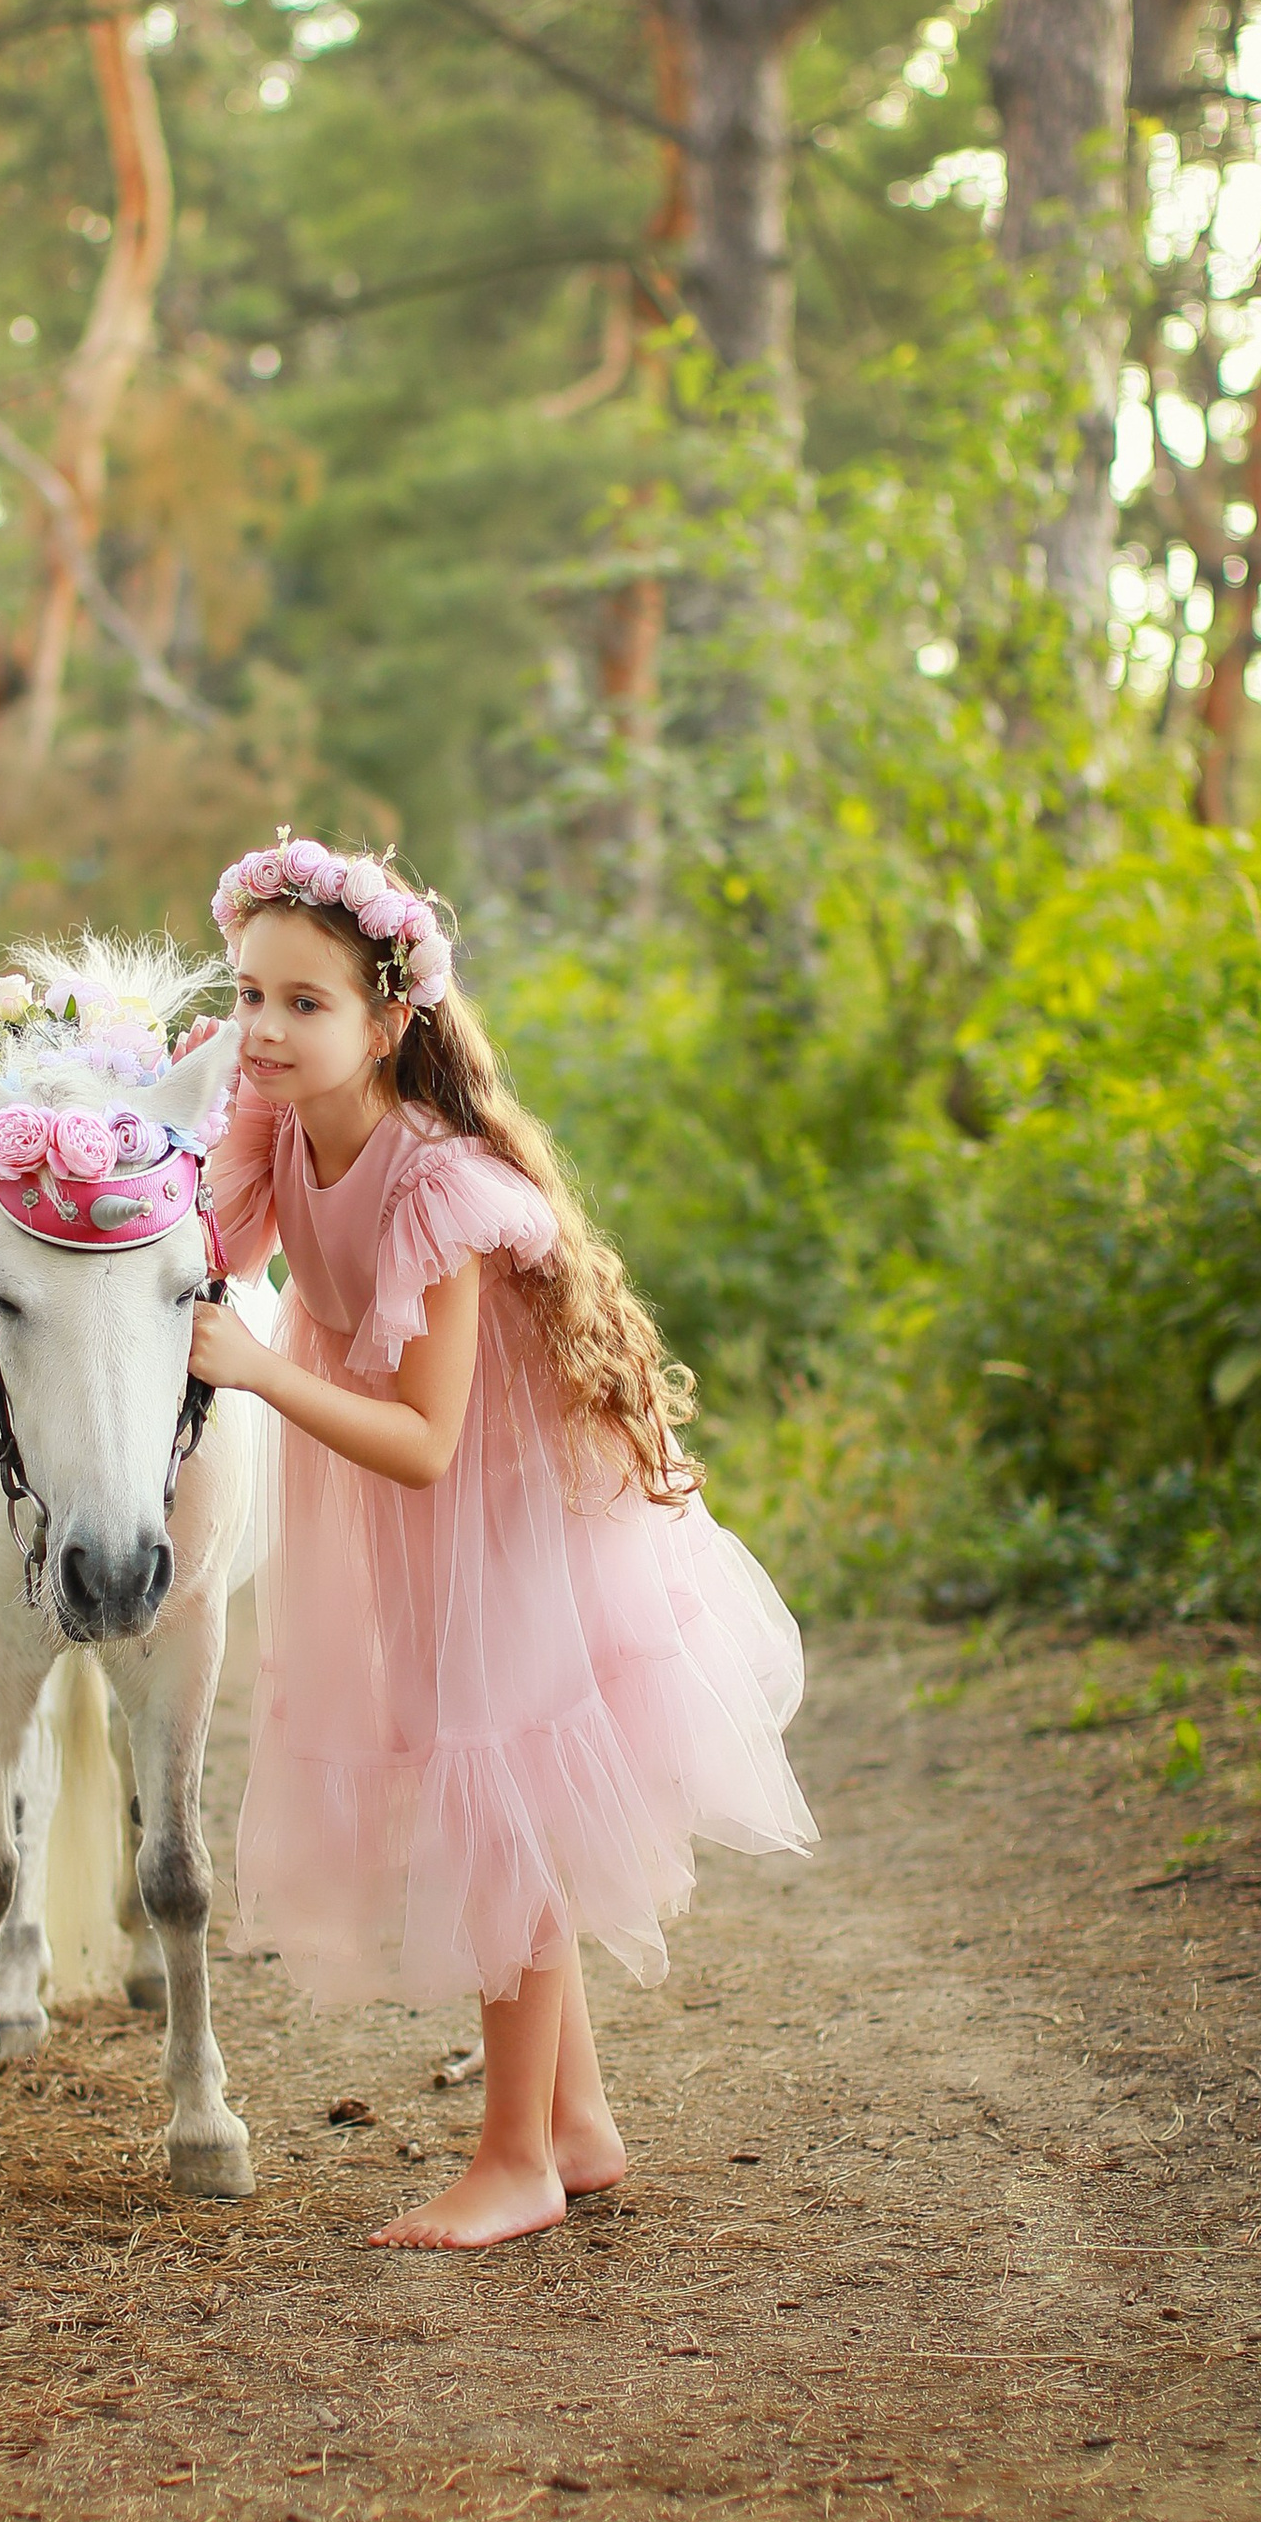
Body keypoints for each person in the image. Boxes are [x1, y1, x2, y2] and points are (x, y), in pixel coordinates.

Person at [183, 837, 815, 2251]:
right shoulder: (279, 1123)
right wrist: (176, 1110)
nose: (268, 1030)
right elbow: (206, 1243)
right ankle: (579, 2125)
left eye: (305, 1004)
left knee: (499, 1786)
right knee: (472, 1763)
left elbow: (427, 1438)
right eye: (249, 998)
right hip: (414, 1507)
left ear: (387, 1020)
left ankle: (515, 2160)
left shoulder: (437, 1187)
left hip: (506, 1504)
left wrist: (267, 1372)